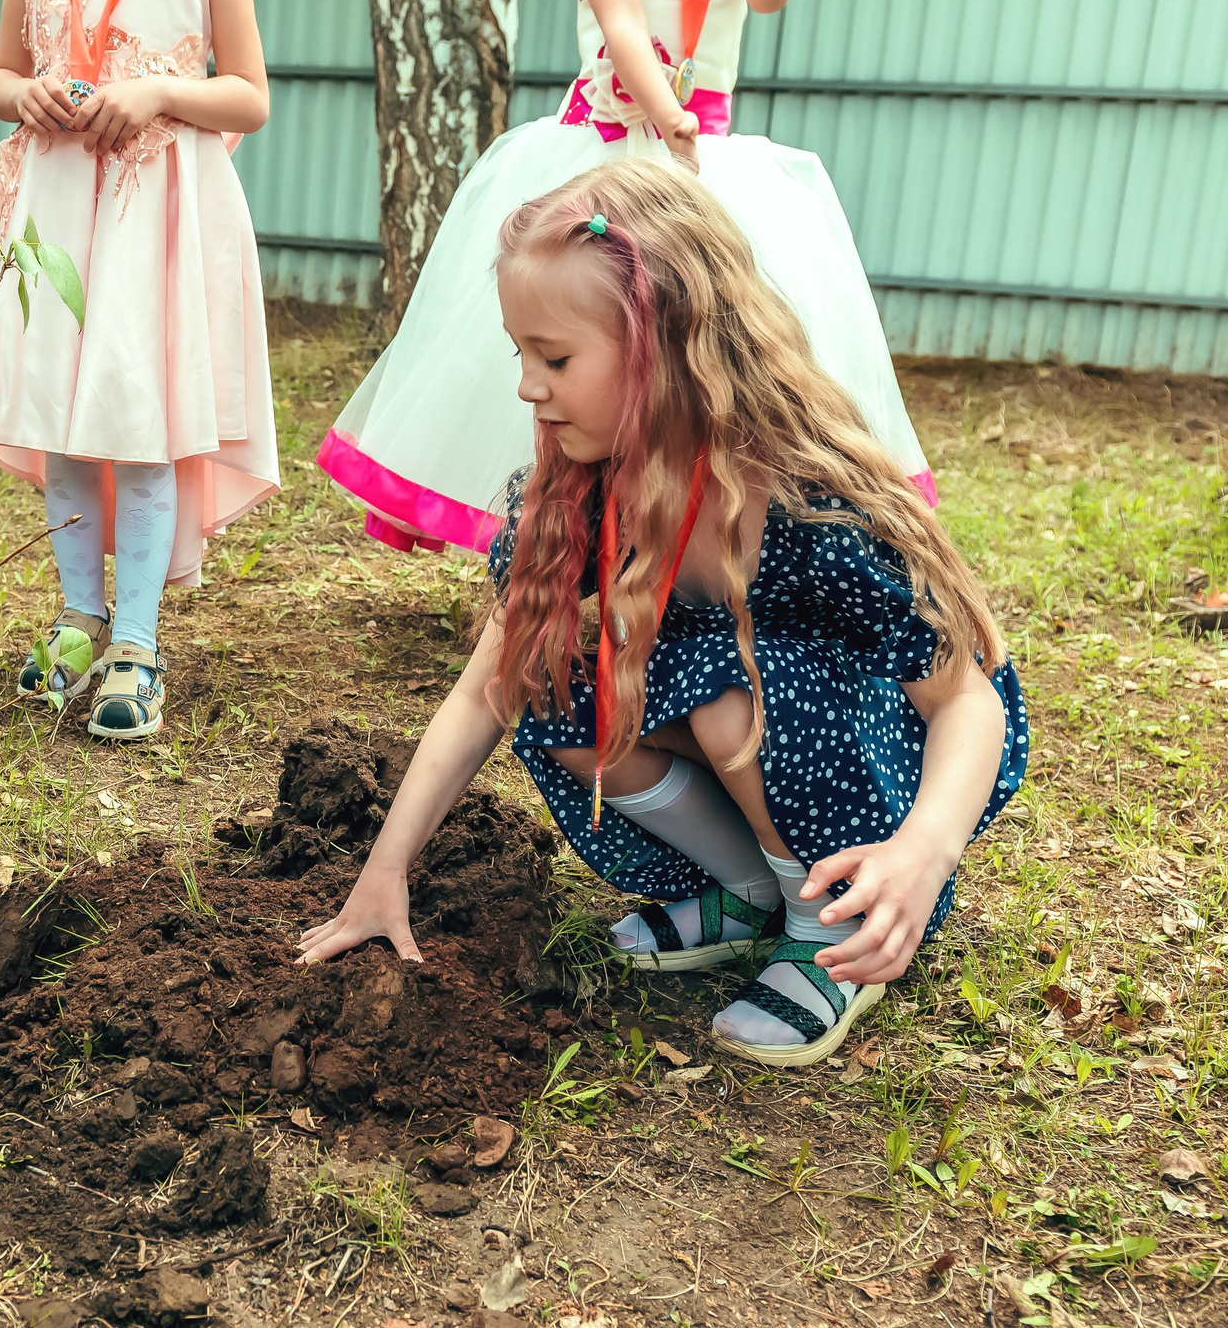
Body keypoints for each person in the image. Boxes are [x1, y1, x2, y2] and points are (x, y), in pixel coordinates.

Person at [297, 159, 1026, 1068]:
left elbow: (969, 703)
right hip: (761, 723)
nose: (529, 387)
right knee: (547, 670)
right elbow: (486, 688)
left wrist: (923, 850)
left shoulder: (815, 509)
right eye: (518, 354)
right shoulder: (584, 490)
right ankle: (751, 888)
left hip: (882, 768)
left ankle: (829, 927)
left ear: (662, 344)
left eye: (555, 358)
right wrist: (384, 871)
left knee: (725, 689)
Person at [318, 0, 933, 556]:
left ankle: (686, 542)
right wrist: (662, 111)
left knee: (699, 357)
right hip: (609, 153)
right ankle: (562, 544)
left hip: (706, 163)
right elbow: (622, 21)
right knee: (586, 347)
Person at [0, 0, 276, 741]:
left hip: (149, 216)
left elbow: (248, 96)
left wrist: (159, 91)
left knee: (139, 419)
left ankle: (136, 637)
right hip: (56, 215)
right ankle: (78, 615)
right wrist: (27, 95)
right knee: (67, 425)